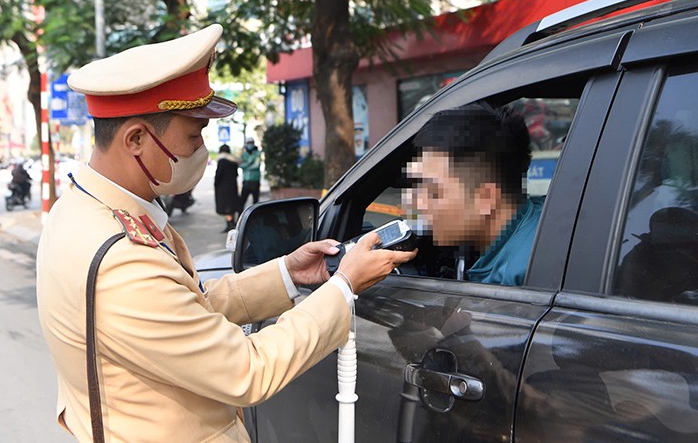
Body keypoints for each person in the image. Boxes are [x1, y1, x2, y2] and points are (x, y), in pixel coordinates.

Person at [35, 24, 416, 442]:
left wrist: (288, 273)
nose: (201, 152)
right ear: (137, 139)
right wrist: (343, 287)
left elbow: (185, 309)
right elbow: (247, 372)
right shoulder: (122, 258)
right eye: (193, 136)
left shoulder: (78, 209)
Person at [410, 101, 543, 286]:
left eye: (434, 193)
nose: (419, 203)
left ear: (486, 198)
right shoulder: (541, 216)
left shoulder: (518, 281)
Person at [214, 144, 240, 233]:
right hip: (233, 187)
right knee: (231, 206)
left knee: (226, 207)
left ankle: (230, 225)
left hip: (223, 188)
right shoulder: (233, 162)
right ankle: (232, 223)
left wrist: (216, 184)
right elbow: (236, 174)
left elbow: (218, 175)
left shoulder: (221, 161)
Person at [239, 137, 261, 210]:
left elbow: (256, 165)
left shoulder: (258, 153)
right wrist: (249, 163)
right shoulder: (244, 154)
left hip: (255, 180)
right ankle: (240, 218)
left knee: (255, 203)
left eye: (251, 143)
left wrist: (246, 165)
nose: (250, 144)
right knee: (242, 202)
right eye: (248, 143)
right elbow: (240, 165)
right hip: (246, 181)